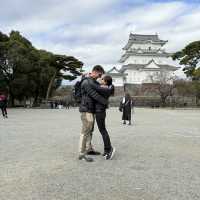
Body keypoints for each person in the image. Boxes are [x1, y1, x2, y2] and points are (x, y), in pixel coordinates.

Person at [78, 65, 109, 162]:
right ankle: (81, 154)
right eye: (99, 75)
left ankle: (89, 149)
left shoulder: (91, 81)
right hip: (86, 109)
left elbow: (98, 89)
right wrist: (105, 102)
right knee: (85, 131)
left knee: (90, 130)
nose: (100, 77)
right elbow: (94, 94)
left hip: (90, 109)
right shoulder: (87, 82)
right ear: (95, 72)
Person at [93, 75, 115, 160]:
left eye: (102, 79)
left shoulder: (104, 89)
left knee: (103, 130)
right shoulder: (107, 88)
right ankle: (107, 149)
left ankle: (109, 149)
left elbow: (96, 86)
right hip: (101, 111)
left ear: (105, 82)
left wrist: (96, 80)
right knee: (103, 130)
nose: (101, 80)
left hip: (100, 111)